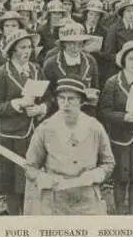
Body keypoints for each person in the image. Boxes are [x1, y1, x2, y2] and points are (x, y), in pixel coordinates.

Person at [24, 78, 115, 215]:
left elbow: (108, 163)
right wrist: (42, 178)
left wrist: (94, 175)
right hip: (54, 199)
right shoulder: (45, 128)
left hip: (87, 198)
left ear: (81, 101)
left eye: (71, 99)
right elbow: (30, 166)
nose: (65, 104)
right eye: (61, 98)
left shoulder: (94, 127)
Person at [0, 29, 51, 215]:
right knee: (14, 184)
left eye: (29, 47)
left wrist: (42, 109)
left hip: (35, 133)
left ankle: (31, 216)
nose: (27, 51)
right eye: (22, 47)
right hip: (12, 136)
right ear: (12, 51)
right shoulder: (1, 73)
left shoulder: (37, 69)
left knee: (32, 180)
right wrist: (17, 104)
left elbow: (49, 98)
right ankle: (16, 219)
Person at [97, 40, 133, 215]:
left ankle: (132, 210)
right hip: (121, 137)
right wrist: (124, 117)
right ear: (123, 61)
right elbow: (104, 111)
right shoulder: (113, 83)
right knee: (121, 178)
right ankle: (120, 210)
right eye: (131, 59)